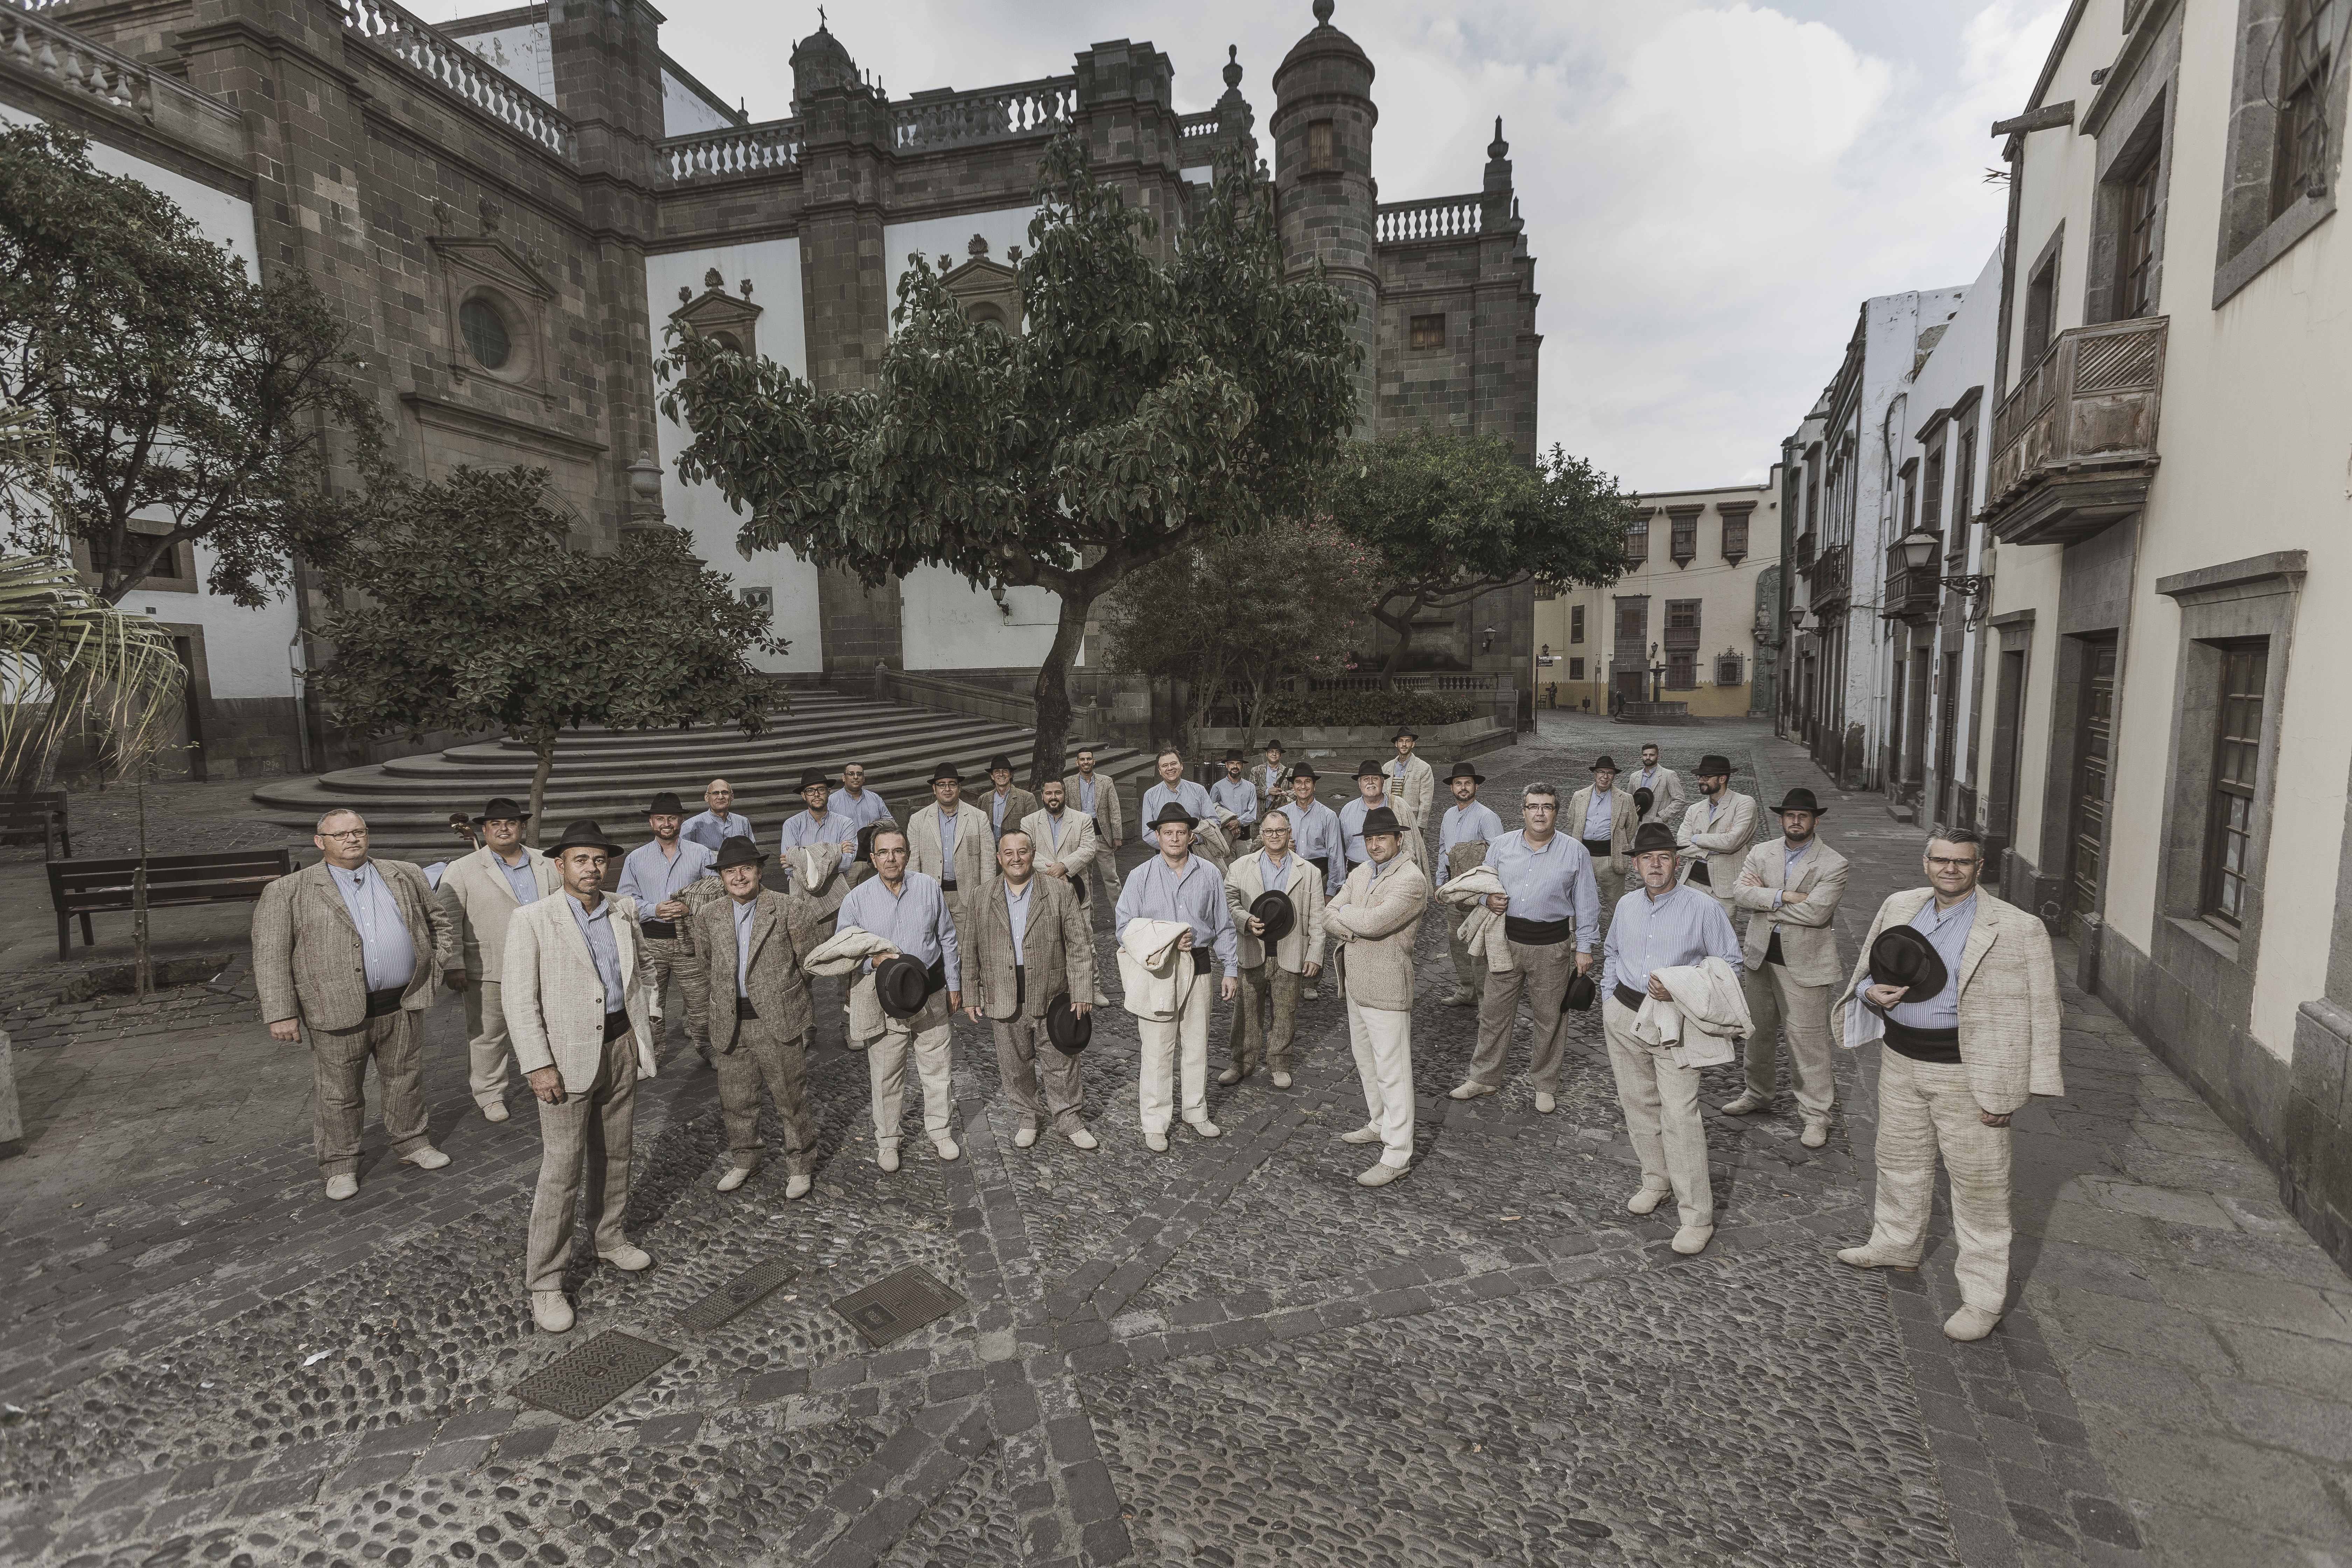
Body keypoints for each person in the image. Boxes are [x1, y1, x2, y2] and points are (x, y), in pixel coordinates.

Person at [1833, 829, 2062, 1342]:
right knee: (1897, 1161)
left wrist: (2012, 1094)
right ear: (1926, 862)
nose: (1950, 870)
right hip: (1900, 1061)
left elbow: (2045, 1015)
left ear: (1980, 867)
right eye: (1941, 860)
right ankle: (1896, 1242)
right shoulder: (1899, 906)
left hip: (1968, 1074)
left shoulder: (2017, 928)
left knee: (1980, 1191)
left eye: (1962, 862)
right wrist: (1871, 993)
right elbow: (1868, 971)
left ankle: (1982, 1299)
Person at [503, 819, 660, 1334]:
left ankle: (610, 1237)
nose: (592, 869)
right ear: (560, 865)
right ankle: (545, 1282)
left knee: (617, 1151)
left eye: (599, 860)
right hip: (565, 1059)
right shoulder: (532, 919)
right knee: (562, 1168)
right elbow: (518, 1002)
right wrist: (538, 1064)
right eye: (581, 860)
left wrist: (647, 1023)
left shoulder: (622, 909)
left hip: (619, 1047)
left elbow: (643, 972)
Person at [253, 808, 457, 1200]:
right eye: (341, 834)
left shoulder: (405, 874)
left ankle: (413, 1143)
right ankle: (341, 1165)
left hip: (402, 1001)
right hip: (335, 1009)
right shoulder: (289, 890)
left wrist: (434, 963)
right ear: (320, 842)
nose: (352, 839)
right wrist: (281, 1013)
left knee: (405, 1079)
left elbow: (438, 922)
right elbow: (270, 954)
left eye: (359, 831)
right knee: (340, 1093)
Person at [1600, 822, 1745, 1256]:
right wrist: (1610, 998)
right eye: (1647, 859)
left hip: (1676, 1023)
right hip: (1624, 1016)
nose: (1656, 865)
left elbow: (1731, 967)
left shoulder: (1703, 908)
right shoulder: (1626, 905)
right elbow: (1611, 952)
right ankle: (1655, 1181)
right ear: (1636, 865)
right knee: (1638, 1104)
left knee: (1681, 1117)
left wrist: (1682, 986)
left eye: (1664, 857)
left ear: (1677, 861)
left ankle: (1696, 1216)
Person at [1448, 783, 1599, 1115]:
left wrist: (1584, 948)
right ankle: (1484, 1077)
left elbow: (1588, 905)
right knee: (1493, 1015)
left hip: (1552, 948)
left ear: (1557, 812)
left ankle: (1545, 1084)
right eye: (1534, 807)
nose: (1540, 813)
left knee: (1551, 1020)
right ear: (1524, 811)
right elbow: (1481, 885)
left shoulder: (1576, 852)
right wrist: (1487, 899)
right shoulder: (1501, 846)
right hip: (1505, 943)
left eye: (1547, 807)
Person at [695, 836, 823, 1197]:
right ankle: (745, 1159)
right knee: (736, 1099)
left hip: (778, 1020)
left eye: (746, 868)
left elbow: (809, 963)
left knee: (790, 1096)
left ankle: (800, 1164)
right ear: (721, 876)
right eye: (730, 871)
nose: (739, 877)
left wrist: (779, 994)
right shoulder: (709, 915)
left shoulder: (788, 908)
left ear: (759, 870)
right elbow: (708, 964)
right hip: (730, 1022)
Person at [1723, 788, 1849, 1148]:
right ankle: (1757, 1093)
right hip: (1761, 957)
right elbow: (1740, 893)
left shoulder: (1833, 863)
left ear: (1815, 820)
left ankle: (1815, 1116)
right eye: (1790, 815)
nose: (1796, 821)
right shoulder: (1762, 852)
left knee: (1807, 1044)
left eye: (1803, 816)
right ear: (1781, 819)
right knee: (1757, 1034)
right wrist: (1787, 897)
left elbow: (1818, 913)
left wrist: (1767, 901)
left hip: (1806, 967)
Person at [838, 825, 964, 1169]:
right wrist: (871, 960)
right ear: (873, 857)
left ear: (907, 855)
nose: (891, 858)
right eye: (883, 852)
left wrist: (954, 985)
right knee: (886, 1075)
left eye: (898, 851)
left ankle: (940, 1132)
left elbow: (948, 939)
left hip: (930, 993)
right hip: (884, 999)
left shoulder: (928, 888)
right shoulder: (856, 899)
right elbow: (843, 951)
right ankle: (888, 1142)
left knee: (937, 1069)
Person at [965, 828, 1098, 1149]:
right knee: (1014, 1064)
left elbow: (1079, 944)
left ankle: (1068, 1118)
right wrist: (970, 994)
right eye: (1008, 853)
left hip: (1052, 993)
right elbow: (970, 949)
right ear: (999, 858)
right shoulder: (982, 896)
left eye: (1022, 852)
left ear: (1033, 854)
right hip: (1003, 994)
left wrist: (1082, 990)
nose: (1016, 859)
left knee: (1061, 1060)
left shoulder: (1058, 891)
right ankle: (1027, 1116)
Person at [1115, 803, 1238, 1150]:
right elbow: (1124, 927)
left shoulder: (1210, 873)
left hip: (1199, 965)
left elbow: (1225, 925)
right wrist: (1167, 937)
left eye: (1181, 832)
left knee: (1197, 1044)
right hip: (1160, 970)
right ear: (1157, 836)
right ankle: (1155, 1121)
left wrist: (1231, 968)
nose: (1174, 838)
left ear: (1191, 835)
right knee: (1157, 1048)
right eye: (1167, 832)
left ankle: (1196, 1111)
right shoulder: (1141, 876)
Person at [437, 796, 561, 1121]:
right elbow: (446, 919)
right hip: (490, 967)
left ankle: (554, 1078)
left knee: (553, 1025)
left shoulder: (547, 862)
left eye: (510, 823)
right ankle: (490, 1094)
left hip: (546, 961)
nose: (503, 829)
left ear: (522, 828)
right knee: (488, 1034)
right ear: (486, 829)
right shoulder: (461, 869)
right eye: (495, 824)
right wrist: (453, 964)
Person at [1325, 806, 1428, 1187]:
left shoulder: (1412, 880)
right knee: (1367, 1062)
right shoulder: (1363, 870)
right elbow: (1327, 912)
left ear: (1399, 839)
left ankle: (1398, 1153)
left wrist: (1348, 916)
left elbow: (1371, 923)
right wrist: (1353, 920)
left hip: (1387, 986)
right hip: (1356, 983)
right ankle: (1379, 1122)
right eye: (1369, 839)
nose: (1374, 845)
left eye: (1382, 838)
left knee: (1393, 1071)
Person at [1220, 807, 1327, 1089]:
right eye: (1269, 831)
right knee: (1245, 1011)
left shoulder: (1310, 872)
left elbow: (1318, 917)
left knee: (1285, 1012)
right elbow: (1228, 901)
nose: (1275, 836)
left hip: (1290, 951)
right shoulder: (1241, 867)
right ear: (1260, 834)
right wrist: (1245, 920)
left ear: (1289, 833)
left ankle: (1280, 1064)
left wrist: (1315, 953)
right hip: (1252, 949)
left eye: (1281, 831)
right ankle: (1241, 1062)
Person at [615, 792, 718, 1066]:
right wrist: (654, 909)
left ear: (681, 821)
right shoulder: (636, 859)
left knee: (700, 1001)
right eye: (660, 819)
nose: (666, 823)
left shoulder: (701, 853)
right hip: (651, 942)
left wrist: (690, 907)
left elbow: (717, 891)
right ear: (651, 823)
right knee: (652, 1002)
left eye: (671, 818)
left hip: (690, 941)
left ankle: (708, 1047)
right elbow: (626, 899)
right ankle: (654, 1052)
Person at [1434, 761, 1507, 1007]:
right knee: (1457, 941)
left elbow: (1500, 855)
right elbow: (1443, 848)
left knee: (1479, 946)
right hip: (1454, 888)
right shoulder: (1448, 815)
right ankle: (1467, 990)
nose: (1463, 788)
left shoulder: (1487, 817)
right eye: (1458, 784)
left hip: (1478, 891)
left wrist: (1490, 893)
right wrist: (1440, 882)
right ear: (1452, 788)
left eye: (1467, 783)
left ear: (1476, 786)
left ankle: (1486, 1000)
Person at [907, 761, 994, 941]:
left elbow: (988, 861)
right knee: (932, 944)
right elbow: (913, 863)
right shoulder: (918, 820)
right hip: (932, 896)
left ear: (959, 788)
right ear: (934, 789)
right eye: (942, 785)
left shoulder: (978, 817)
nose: (947, 789)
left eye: (952, 784)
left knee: (967, 947)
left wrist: (986, 896)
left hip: (968, 897)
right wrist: (916, 897)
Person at [1278, 766, 1346, 996]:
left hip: (1319, 872)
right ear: (1293, 786)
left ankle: (1310, 983)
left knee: (1315, 928)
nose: (1303, 786)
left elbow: (1336, 855)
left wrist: (1332, 890)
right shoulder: (1283, 814)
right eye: (1299, 782)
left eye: (1308, 782)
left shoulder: (1328, 816)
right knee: (1289, 925)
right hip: (1290, 872)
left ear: (1314, 786)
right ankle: (1288, 975)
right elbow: (1268, 844)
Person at [1676, 753, 1757, 917]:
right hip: (1692, 883)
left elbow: (1731, 843)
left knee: (1721, 937)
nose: (1700, 781)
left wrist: (1697, 838)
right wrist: (1712, 848)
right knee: (1691, 935)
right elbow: (1681, 845)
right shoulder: (1695, 809)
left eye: (1706, 777)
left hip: (1724, 888)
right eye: (1700, 777)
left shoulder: (1744, 803)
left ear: (1722, 779)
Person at [1566, 755, 1638, 917]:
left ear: (1614, 776)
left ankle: (1617, 939)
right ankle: (1580, 937)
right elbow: (1573, 821)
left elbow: (1631, 827)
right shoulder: (1580, 796)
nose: (1605, 777)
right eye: (1601, 772)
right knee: (1580, 901)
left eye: (1610, 773)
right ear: (1595, 774)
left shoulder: (1625, 799)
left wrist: (1618, 844)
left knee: (1616, 904)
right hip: (1584, 858)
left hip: (1611, 859)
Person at [1065, 747, 1125, 902]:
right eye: (1082, 759)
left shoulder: (1106, 782)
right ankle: (1088, 919)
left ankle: (1121, 917)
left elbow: (1114, 809)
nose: (1086, 762)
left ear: (1094, 761)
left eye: (1089, 759)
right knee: (1085, 879)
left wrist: (1117, 835)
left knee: (1112, 878)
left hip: (1102, 836)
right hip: (1081, 837)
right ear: (1077, 762)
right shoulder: (1068, 783)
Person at [1140, 749, 1215, 858]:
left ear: (1182, 766)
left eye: (1174, 764)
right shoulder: (1150, 795)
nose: (1170, 768)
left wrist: (1198, 838)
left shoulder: (1199, 790)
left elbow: (1214, 822)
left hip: (1197, 852)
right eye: (1165, 765)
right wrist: (1171, 846)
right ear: (1160, 771)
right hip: (1164, 856)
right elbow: (1147, 834)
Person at [1381, 727, 1435, 879]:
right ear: (1396, 745)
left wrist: (1421, 826)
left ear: (1413, 745)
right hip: (1391, 819)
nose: (1404, 745)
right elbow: (1383, 795)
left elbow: (1426, 800)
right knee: (1390, 854)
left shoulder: (1423, 768)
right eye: (1401, 741)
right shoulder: (1387, 768)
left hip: (1412, 819)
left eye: (1408, 741)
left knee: (1411, 856)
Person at [778, 766, 858, 853]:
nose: (816, 794)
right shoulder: (792, 825)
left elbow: (847, 863)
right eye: (810, 791)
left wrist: (802, 856)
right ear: (804, 795)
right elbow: (790, 864)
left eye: (821, 790)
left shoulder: (845, 824)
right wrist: (838, 850)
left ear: (829, 792)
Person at [681, 778, 755, 853]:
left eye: (725, 793)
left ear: (732, 796)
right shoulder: (690, 825)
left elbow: (752, 852)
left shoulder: (743, 822)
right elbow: (686, 856)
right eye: (715, 793)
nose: (721, 797)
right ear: (707, 797)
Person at [983, 754, 1041, 842]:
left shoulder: (1026, 798)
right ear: (992, 776)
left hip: (1016, 849)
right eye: (997, 772)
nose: (1001, 774)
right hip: (992, 849)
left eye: (1005, 771)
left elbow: (1035, 829)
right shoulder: (984, 799)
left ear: (1011, 775)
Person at [1631, 743, 1686, 828]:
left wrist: (1662, 816)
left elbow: (1680, 800)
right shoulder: (1635, 776)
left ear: (1658, 757)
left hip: (1657, 826)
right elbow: (1629, 800)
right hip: (1635, 825)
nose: (1648, 758)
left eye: (1652, 755)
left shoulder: (1669, 775)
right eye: (1645, 755)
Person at [1210, 749, 1259, 844]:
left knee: (1247, 858)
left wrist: (1238, 822)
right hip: (1225, 836)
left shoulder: (1250, 787)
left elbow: (1252, 814)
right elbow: (1212, 811)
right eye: (1232, 763)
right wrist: (1229, 823)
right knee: (1226, 859)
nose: (1235, 767)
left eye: (1239, 764)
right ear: (1227, 765)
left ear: (1243, 766)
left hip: (1245, 836)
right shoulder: (1217, 787)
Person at [829, 762, 892, 832]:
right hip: (846, 842)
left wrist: (876, 826)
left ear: (864, 778)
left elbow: (890, 822)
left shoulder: (875, 798)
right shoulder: (832, 801)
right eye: (851, 774)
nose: (856, 777)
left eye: (859, 774)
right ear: (844, 778)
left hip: (872, 841)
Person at [1253, 740, 1290, 818]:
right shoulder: (1256, 770)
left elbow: (1296, 791)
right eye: (1271, 751)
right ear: (1267, 754)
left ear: (1281, 756)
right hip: (1261, 813)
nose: (1274, 754)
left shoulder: (1289, 772)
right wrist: (1268, 791)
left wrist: (1286, 793)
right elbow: (1251, 790)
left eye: (1277, 752)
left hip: (1281, 812)